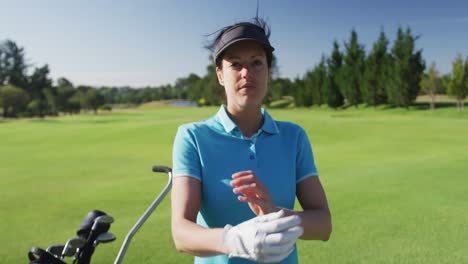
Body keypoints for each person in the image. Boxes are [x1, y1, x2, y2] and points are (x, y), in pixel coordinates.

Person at [171, 18, 332, 264]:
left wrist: (275, 214)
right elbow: (181, 234)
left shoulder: (294, 137)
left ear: (268, 71)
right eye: (235, 64)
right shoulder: (192, 137)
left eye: (257, 63)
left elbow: (323, 224)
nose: (247, 73)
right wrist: (234, 240)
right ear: (220, 75)